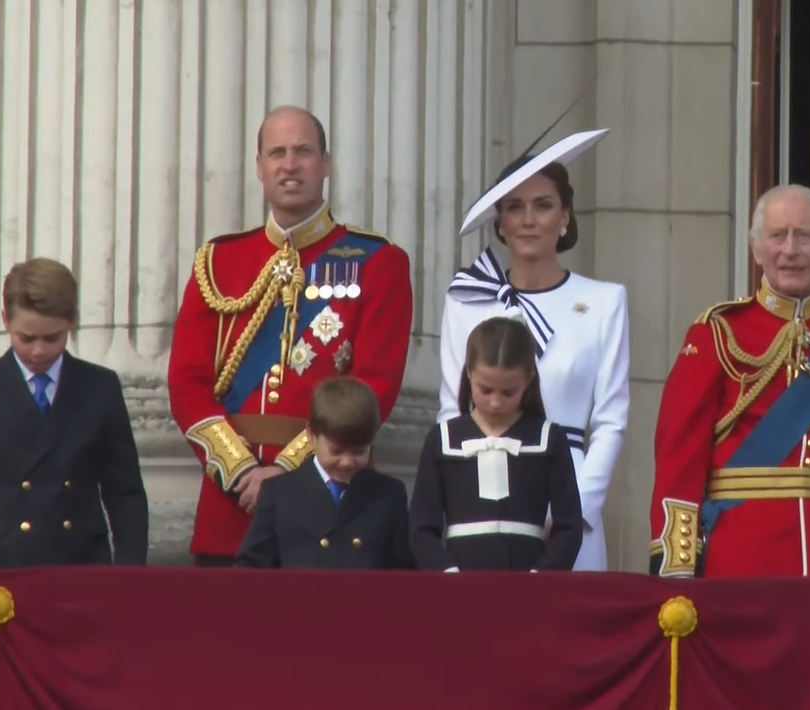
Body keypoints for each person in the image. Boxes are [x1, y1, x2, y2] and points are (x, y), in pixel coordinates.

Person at [168, 106, 413, 566]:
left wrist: (286, 471)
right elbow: (187, 383)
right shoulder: (218, 261)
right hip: (232, 506)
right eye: (277, 153)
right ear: (259, 167)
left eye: (303, 151)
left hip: (332, 510)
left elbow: (375, 384)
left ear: (325, 162)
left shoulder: (377, 262)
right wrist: (241, 471)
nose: (289, 164)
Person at [649, 184, 810, 578]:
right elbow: (678, 458)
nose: (790, 250)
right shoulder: (717, 332)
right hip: (737, 561)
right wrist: (677, 568)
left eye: (804, 236)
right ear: (756, 250)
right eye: (777, 235)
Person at [438, 128, 627, 572]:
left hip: (570, 487)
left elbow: (611, 420)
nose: (528, 220)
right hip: (484, 485)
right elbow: (451, 410)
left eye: (542, 206)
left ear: (565, 216)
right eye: (514, 208)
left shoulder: (605, 301)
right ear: (499, 221)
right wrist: (467, 499)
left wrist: (573, 509)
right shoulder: (467, 299)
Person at [0, 258, 148, 567]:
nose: (39, 350)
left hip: (81, 563)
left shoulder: (100, 387)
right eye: (26, 338)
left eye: (52, 338)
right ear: (6, 321)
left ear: (72, 322)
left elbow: (125, 491)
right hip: (0, 565)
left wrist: (129, 573)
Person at [413, 312, 583, 572]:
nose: (495, 402)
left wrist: (542, 574)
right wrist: (446, 572)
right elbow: (421, 528)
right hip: (459, 582)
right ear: (469, 374)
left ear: (528, 380)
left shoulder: (549, 439)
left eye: (508, 393)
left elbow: (569, 527)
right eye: (485, 390)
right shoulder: (443, 439)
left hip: (528, 582)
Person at [234, 376, 414, 570]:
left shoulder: (387, 494)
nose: (346, 462)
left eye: (358, 452)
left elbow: (403, 571)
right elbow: (251, 566)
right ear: (311, 435)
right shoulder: (279, 492)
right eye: (336, 451)